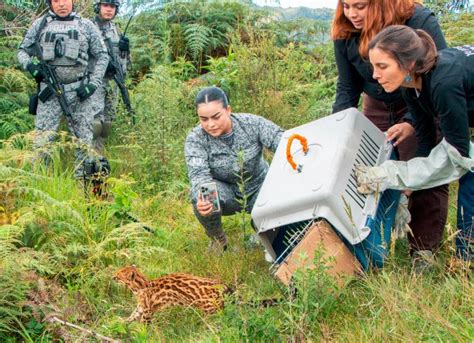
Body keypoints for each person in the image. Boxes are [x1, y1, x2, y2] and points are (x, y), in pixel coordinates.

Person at [331, 0, 449, 266]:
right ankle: (372, 245)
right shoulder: (345, 30)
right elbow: (347, 87)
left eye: (359, 6)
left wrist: (412, 121)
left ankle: (423, 251)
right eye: (346, 5)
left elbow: (437, 74)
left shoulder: (418, 19)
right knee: (368, 166)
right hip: (377, 100)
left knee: (425, 166)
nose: (351, 14)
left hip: (421, 95)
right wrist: (339, 127)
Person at [366, 26, 473, 262]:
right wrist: (409, 188)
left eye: (382, 66)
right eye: (373, 66)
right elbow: (426, 141)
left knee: (471, 183)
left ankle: (466, 261)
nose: (375, 75)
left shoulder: (443, 83)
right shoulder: (412, 88)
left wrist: (395, 174)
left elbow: (457, 154)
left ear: (408, 63)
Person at [184, 87, 284, 251]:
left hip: (259, 187)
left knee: (274, 236)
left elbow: (283, 142)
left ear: (228, 110)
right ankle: (218, 239)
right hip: (226, 193)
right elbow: (198, 175)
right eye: (204, 119)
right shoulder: (196, 139)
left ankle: (262, 233)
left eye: (216, 117)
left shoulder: (252, 124)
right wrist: (202, 199)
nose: (211, 124)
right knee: (203, 194)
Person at [18, 0, 109, 179]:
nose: (62, 4)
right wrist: (31, 66)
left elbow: (102, 56)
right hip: (50, 93)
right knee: (43, 142)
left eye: (66, 0)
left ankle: (82, 184)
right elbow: (22, 51)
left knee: (83, 141)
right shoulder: (41, 24)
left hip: (80, 93)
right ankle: (41, 183)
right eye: (56, 0)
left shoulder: (86, 25)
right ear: (50, 3)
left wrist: (93, 84)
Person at [92, 0, 130, 153]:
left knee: (108, 122)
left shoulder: (116, 29)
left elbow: (124, 62)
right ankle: (88, 156)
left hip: (113, 82)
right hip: (95, 81)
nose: (109, 10)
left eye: (112, 7)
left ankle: (99, 155)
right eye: (105, 6)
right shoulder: (89, 27)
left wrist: (125, 51)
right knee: (95, 122)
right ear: (98, 7)